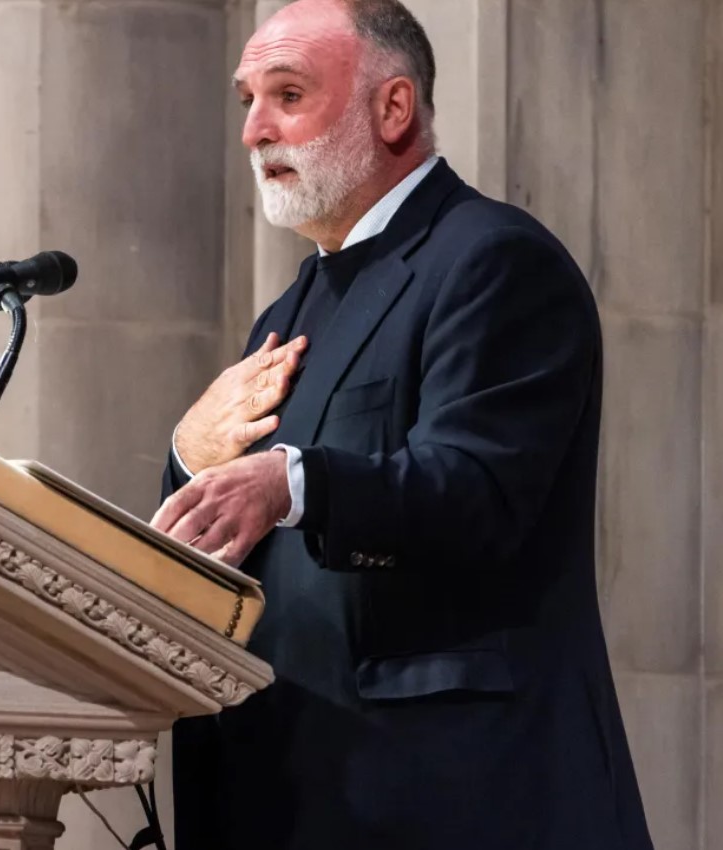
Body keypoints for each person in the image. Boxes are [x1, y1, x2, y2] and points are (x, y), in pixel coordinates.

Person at [150, 1, 653, 848]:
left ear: (392, 109)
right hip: (290, 787)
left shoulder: (491, 260)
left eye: (288, 94)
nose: (254, 131)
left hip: (451, 789)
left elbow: (478, 489)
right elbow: (229, 520)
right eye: (248, 100)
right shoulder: (291, 307)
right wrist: (185, 455)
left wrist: (290, 483)